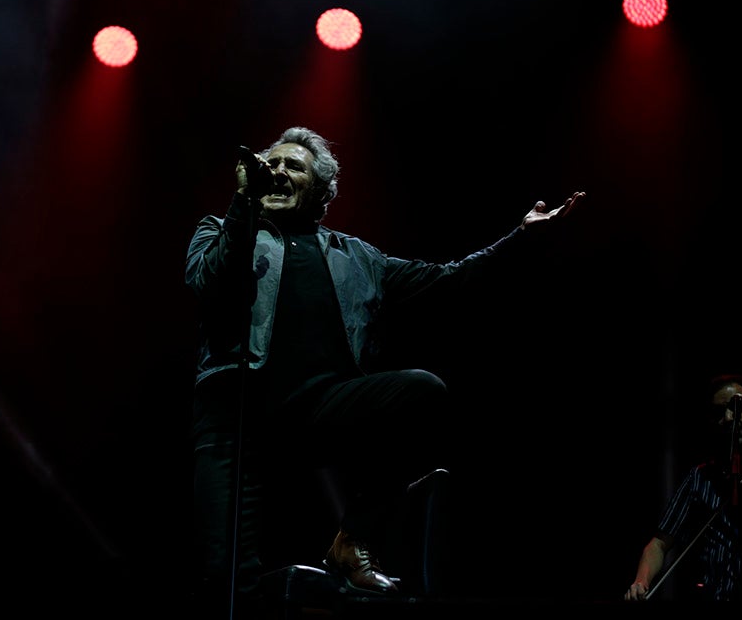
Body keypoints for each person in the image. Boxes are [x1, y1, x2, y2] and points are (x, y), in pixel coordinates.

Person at [185, 125, 586, 612]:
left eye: (294, 166)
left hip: (319, 409)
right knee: (228, 578)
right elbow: (208, 285)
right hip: (236, 418)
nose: (279, 171)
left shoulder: (357, 257)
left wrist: (520, 238)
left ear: (319, 190)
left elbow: (448, 281)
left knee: (421, 391)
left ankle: (352, 539)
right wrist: (241, 208)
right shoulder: (223, 228)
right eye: (272, 163)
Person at [624, 373, 742, 602]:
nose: (728, 418)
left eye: (737, 407)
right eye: (719, 412)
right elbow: (658, 544)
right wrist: (641, 580)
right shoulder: (701, 477)